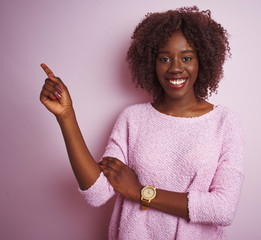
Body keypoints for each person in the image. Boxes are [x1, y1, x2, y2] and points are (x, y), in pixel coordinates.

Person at [40, 6, 244, 240]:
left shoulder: (224, 121)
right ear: (151, 63)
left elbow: (223, 209)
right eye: (164, 58)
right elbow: (97, 193)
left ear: (203, 61)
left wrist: (141, 193)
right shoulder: (133, 119)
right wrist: (66, 116)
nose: (175, 67)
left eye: (186, 57)